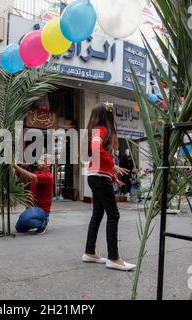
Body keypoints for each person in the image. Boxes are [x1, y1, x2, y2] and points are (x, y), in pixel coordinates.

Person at [82, 102, 137, 271]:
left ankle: (89, 252)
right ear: (108, 116)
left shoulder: (95, 130)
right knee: (113, 214)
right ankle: (113, 258)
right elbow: (97, 149)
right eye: (112, 113)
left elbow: (97, 154)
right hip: (99, 176)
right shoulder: (102, 130)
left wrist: (113, 177)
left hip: (96, 175)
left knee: (97, 214)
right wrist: (113, 167)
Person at [14, 154, 53, 235]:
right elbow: (22, 179)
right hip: (32, 207)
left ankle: (42, 223)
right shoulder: (36, 173)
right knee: (19, 228)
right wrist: (23, 168)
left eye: (41, 160)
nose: (38, 162)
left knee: (23, 219)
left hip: (42, 209)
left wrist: (16, 166)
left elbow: (33, 177)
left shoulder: (48, 176)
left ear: (48, 164)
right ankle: (34, 219)